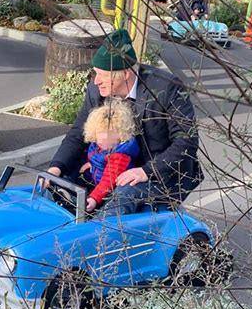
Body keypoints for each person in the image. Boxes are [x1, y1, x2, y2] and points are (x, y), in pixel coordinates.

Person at [46, 29, 203, 216]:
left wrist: (146, 171)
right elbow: (78, 133)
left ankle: (100, 239)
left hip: (156, 171)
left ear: (126, 73)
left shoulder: (166, 88)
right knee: (59, 180)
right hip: (109, 163)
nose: (97, 81)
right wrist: (57, 166)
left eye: (103, 75)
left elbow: (186, 141)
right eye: (95, 73)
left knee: (125, 192)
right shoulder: (96, 90)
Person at [81, 101, 140, 212]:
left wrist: (94, 198)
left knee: (108, 206)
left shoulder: (120, 156)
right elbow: (96, 157)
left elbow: (109, 181)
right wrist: (92, 164)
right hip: (97, 182)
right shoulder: (101, 146)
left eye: (108, 135)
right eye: (99, 134)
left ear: (121, 134)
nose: (101, 139)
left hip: (109, 192)